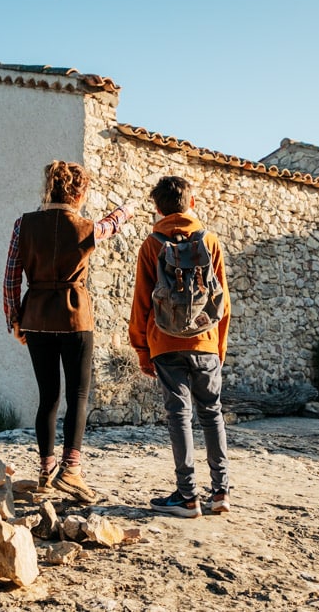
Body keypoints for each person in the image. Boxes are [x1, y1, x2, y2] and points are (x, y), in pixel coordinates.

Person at [3, 160, 134, 504]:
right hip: (76, 316)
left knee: (48, 396)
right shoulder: (86, 226)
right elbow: (110, 226)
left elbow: (10, 276)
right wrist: (125, 211)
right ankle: (71, 472)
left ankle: (46, 472)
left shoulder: (23, 225)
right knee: (77, 395)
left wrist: (13, 319)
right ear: (80, 192)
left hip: (36, 317)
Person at [128, 175, 232, 518]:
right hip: (205, 341)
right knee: (212, 414)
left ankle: (187, 497)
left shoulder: (151, 245)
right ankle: (220, 492)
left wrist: (142, 350)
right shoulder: (211, 240)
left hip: (165, 343)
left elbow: (142, 303)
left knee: (179, 416)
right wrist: (218, 348)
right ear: (191, 203)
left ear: (157, 208)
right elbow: (224, 302)